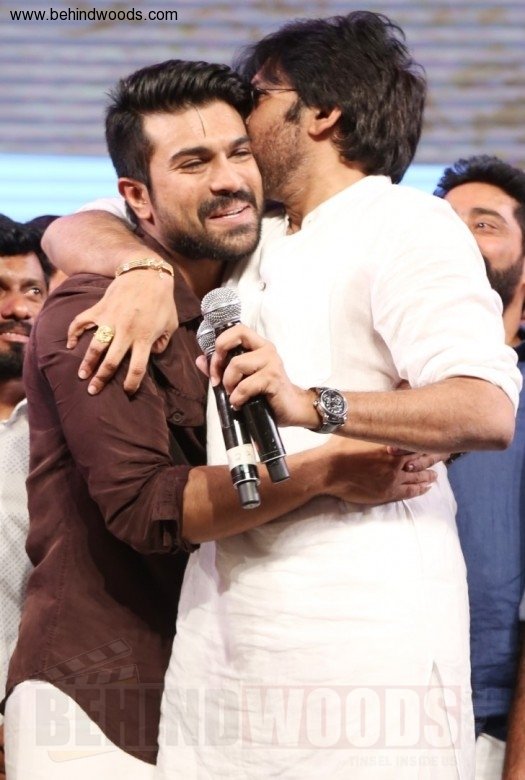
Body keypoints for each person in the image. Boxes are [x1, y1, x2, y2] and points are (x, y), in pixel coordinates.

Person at [41, 13, 521, 778]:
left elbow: (484, 407)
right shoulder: (253, 233)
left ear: (321, 112)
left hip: (362, 646)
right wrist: (140, 270)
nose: (241, 115)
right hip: (222, 650)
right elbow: (75, 225)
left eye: (257, 96)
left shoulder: (407, 222)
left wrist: (312, 404)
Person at [0, 214, 53, 780]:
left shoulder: (72, 433)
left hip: (37, 721)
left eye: (33, 291)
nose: (18, 309)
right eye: (0, 290)